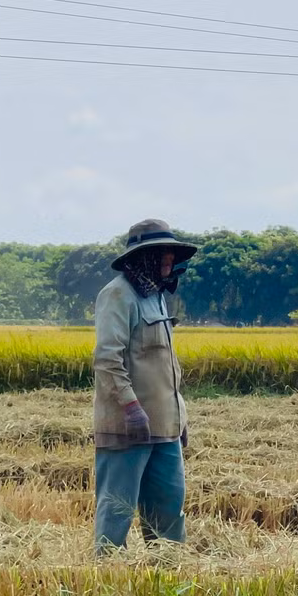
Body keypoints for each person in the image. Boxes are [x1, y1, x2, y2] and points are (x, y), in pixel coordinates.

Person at [91, 219, 197, 555]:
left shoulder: (157, 297)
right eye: (162, 253)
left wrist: (180, 416)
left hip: (165, 427)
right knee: (117, 510)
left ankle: (167, 570)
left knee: (169, 510)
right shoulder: (117, 295)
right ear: (143, 257)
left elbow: (164, 364)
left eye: (171, 254)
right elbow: (108, 360)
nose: (169, 259)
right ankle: (108, 571)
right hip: (128, 427)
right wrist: (131, 407)